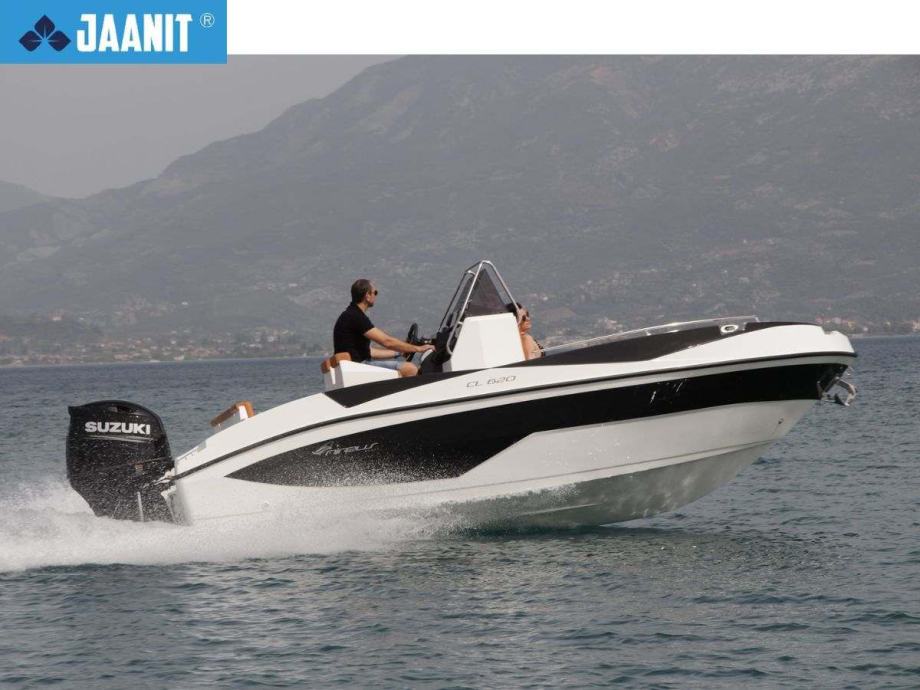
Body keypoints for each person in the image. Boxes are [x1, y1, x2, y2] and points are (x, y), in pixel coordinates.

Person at [333, 279, 434, 377]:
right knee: (410, 369)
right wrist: (418, 348)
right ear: (367, 296)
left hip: (355, 367)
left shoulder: (350, 315)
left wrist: (399, 353)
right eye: (375, 292)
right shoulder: (356, 317)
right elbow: (387, 341)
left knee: (409, 368)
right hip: (359, 367)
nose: (375, 296)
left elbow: (369, 352)